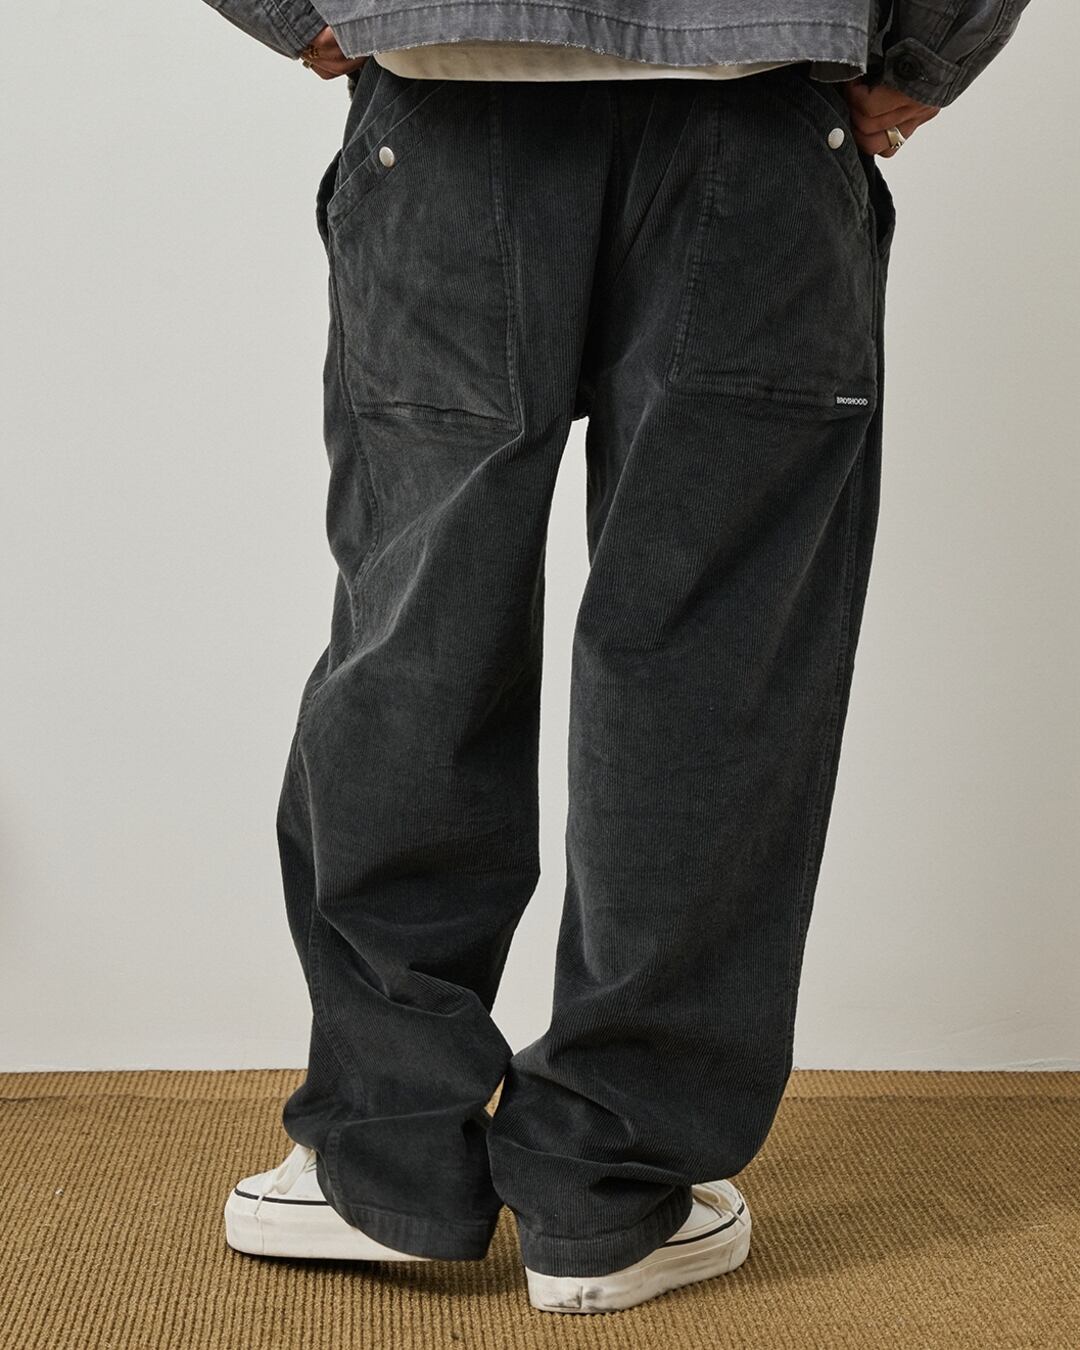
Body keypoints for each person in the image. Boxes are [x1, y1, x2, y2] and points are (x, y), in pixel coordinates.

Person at [203, 0, 1031, 1315]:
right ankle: (610, 1185)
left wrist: (299, 8)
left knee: (417, 632)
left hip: (449, 98)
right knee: (712, 655)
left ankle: (386, 1152)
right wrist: (928, 47)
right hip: (757, 107)